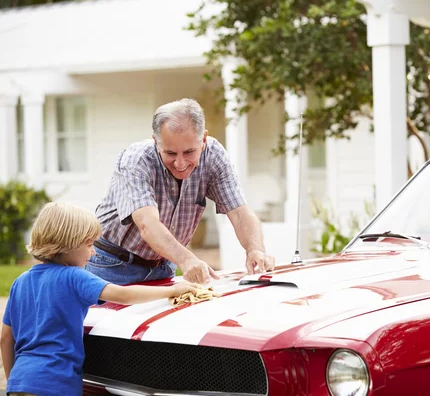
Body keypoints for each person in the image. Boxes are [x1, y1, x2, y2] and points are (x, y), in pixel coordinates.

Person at [0, 201, 201, 396]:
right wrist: (172, 291)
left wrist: (12, 381)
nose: (94, 252)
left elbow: (6, 338)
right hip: (56, 383)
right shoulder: (74, 277)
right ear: (69, 244)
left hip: (20, 380)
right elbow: (124, 295)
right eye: (89, 244)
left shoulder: (21, 281)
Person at [87, 98, 275, 285]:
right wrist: (186, 259)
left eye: (188, 152)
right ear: (156, 142)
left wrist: (255, 250)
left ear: (203, 139)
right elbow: (147, 224)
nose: (180, 163)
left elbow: (240, 212)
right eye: (170, 153)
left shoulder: (215, 156)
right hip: (111, 263)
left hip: (163, 265)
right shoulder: (136, 160)